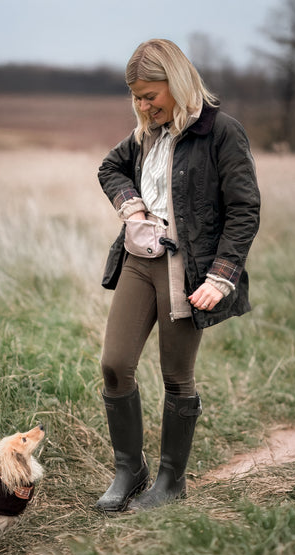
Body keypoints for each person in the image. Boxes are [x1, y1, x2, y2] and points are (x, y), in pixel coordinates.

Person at [96, 39, 260, 512]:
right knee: (114, 363)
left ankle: (171, 480)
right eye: (138, 98)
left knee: (176, 376)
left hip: (188, 272)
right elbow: (110, 168)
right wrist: (131, 205)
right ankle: (130, 469)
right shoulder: (147, 132)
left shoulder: (222, 132)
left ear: (177, 81)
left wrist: (220, 277)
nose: (144, 107)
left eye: (151, 95)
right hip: (138, 259)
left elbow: (244, 209)